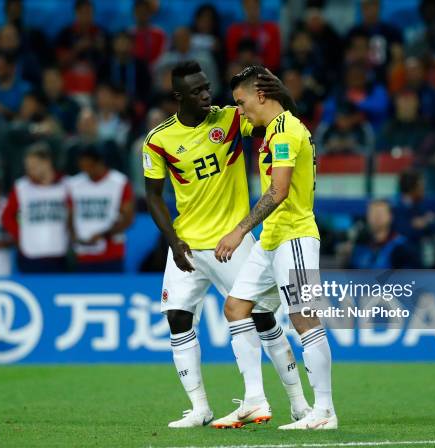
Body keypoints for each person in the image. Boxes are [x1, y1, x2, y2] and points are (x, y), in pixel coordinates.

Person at [142, 61, 309, 428]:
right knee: (177, 318)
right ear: (178, 97)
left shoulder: (232, 120)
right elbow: (153, 196)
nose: (206, 95)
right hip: (187, 246)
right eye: (197, 90)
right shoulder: (158, 140)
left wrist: (278, 87)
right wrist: (172, 241)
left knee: (263, 316)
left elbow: (285, 121)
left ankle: (299, 404)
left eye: (207, 87)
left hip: (231, 241)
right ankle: (200, 408)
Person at [212, 65, 336, 430]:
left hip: (294, 236)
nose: (240, 110)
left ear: (261, 96)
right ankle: (254, 399)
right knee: (236, 308)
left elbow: (278, 191)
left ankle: (325, 409)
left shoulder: (285, 132)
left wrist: (238, 231)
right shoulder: (278, 127)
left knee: (304, 318)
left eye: (242, 102)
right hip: (272, 241)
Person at [2, 143, 70, 273]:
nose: (29, 171)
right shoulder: (21, 187)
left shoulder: (66, 185)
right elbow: (6, 217)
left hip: (59, 253)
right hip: (30, 255)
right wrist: (21, 235)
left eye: (33, 166)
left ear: (47, 163)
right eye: (27, 167)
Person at [68, 145, 133, 272]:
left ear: (100, 163)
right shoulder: (74, 184)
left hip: (111, 253)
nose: (86, 170)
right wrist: (73, 235)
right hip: (83, 253)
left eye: (89, 166)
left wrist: (104, 235)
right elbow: (70, 215)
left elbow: (128, 219)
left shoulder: (119, 183)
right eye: (83, 167)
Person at [349, 199, 420, 269]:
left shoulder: (402, 248)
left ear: (390, 217)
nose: (377, 217)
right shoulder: (360, 244)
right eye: (373, 213)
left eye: (381, 213)